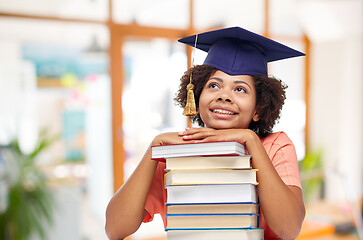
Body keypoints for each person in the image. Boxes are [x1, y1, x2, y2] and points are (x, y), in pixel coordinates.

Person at [105, 26, 306, 240]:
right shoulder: (175, 155)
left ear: (258, 108)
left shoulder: (275, 147)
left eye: (240, 89)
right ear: (197, 97)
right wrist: (154, 148)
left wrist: (250, 140)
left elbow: (289, 228)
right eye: (214, 86)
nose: (224, 96)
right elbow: (115, 229)